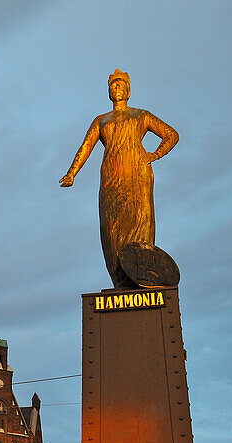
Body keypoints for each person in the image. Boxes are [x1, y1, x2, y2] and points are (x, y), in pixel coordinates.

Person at [61, 70, 178, 287]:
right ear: (108, 92)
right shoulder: (101, 120)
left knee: (140, 223)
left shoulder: (141, 115)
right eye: (113, 85)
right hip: (111, 178)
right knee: (111, 228)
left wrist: (153, 155)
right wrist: (72, 172)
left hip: (138, 175)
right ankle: (120, 281)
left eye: (121, 84)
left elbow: (171, 135)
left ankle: (143, 276)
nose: (117, 88)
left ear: (129, 90)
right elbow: (85, 147)